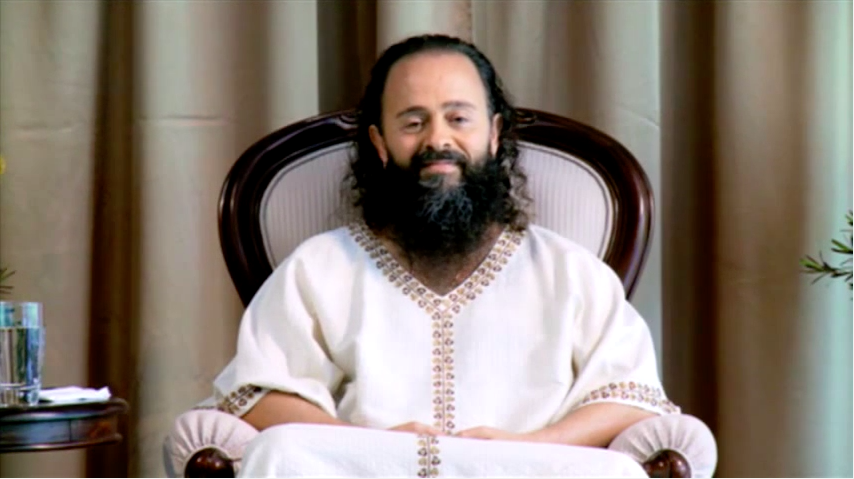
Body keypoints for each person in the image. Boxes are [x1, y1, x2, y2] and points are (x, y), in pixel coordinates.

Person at [212, 34, 679, 478]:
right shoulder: (320, 267)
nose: (438, 141)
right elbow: (257, 392)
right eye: (413, 123)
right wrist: (371, 447)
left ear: (494, 133)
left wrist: (530, 446)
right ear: (379, 142)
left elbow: (631, 396)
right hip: (371, 471)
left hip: (525, 469)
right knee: (279, 450)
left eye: (458, 119)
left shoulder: (569, 272)